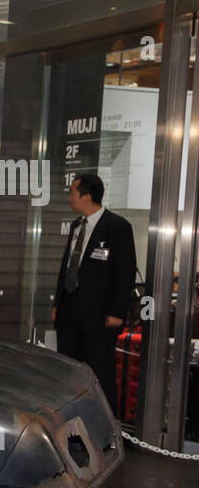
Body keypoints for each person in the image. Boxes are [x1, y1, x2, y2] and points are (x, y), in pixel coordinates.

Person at [53, 173, 136, 415]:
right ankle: (68, 423)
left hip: (100, 315)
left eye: (73, 193)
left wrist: (117, 312)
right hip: (70, 310)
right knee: (67, 372)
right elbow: (67, 266)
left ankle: (107, 430)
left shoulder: (118, 227)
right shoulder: (76, 226)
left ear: (87, 197)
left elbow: (125, 272)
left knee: (101, 374)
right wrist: (59, 301)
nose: (70, 198)